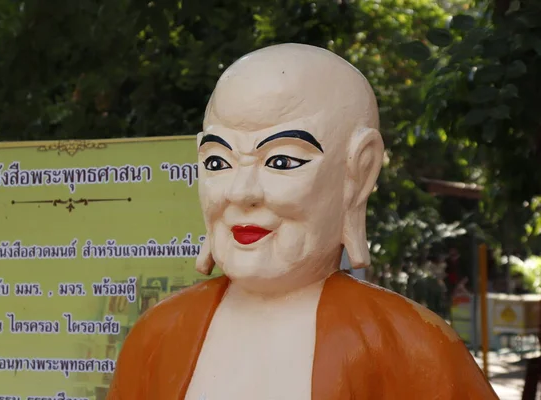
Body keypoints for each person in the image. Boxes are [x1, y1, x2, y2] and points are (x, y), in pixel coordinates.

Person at [107, 43, 498, 400]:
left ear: (358, 171)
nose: (241, 192)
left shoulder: (412, 346)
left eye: (282, 161)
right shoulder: (158, 336)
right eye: (217, 162)